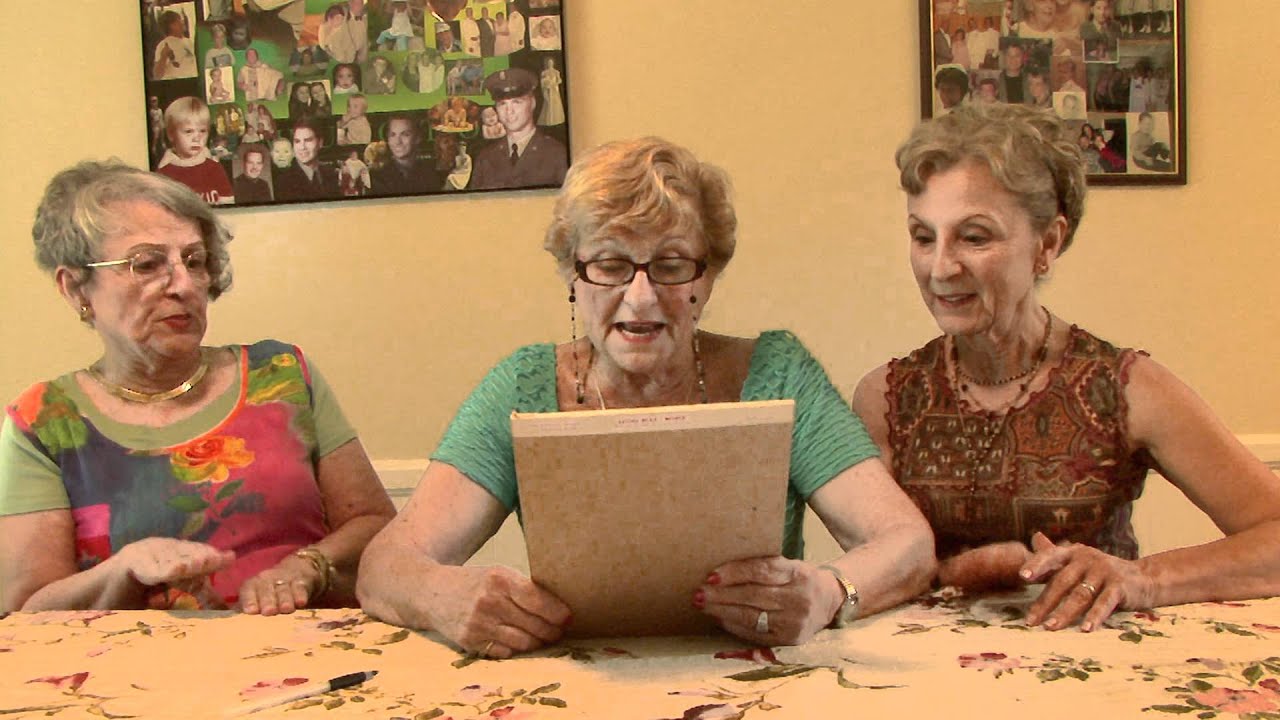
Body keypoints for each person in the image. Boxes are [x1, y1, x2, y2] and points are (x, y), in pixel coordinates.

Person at [357, 137, 936, 656]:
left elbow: (906, 543)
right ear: (572, 276)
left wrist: (831, 591)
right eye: (610, 265)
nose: (640, 298)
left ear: (707, 278)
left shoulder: (777, 373)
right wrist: (445, 596)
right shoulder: (522, 387)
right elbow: (384, 566)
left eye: (672, 265)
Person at [853, 102, 1280, 632]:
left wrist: (1143, 578)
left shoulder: (1122, 387)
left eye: (974, 236)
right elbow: (872, 571)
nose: (940, 267)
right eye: (923, 237)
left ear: (1047, 244)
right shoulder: (887, 397)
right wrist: (959, 572)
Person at [0, 160, 395, 613]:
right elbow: (27, 612)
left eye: (195, 260)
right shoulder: (45, 421)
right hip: (135, 678)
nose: (184, 285)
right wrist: (124, 570)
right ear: (75, 289)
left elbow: (378, 527)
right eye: (147, 264)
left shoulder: (281, 376)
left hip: (308, 658)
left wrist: (307, 566)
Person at [470, 68, 569, 190]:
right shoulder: (486, 158)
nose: (509, 111)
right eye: (502, 104)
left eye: (516, 102)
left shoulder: (556, 154)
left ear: (532, 103)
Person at [156, 97, 234, 206]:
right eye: (188, 131)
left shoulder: (214, 168)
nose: (197, 138)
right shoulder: (163, 174)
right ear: (171, 134)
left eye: (202, 131)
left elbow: (230, 205)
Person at [371, 114, 444, 195]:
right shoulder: (377, 178)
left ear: (417, 138)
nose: (398, 142)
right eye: (393, 135)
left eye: (405, 134)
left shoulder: (432, 174)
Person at [274, 119, 339, 201]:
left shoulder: (331, 173)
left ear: (320, 143)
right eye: (297, 141)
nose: (302, 147)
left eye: (308, 140)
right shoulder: (283, 182)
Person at [153, 10, 197, 80]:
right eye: (179, 20)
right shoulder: (164, 44)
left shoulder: (189, 41)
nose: (182, 22)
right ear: (171, 25)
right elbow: (157, 75)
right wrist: (163, 56)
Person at [538, 57, 566, 126]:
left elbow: (560, 80)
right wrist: (547, 84)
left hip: (554, 90)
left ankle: (556, 120)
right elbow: (542, 82)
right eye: (549, 63)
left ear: (553, 63)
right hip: (548, 90)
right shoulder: (544, 72)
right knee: (548, 103)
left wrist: (555, 83)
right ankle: (549, 120)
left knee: (555, 104)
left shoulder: (556, 72)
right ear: (547, 64)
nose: (550, 64)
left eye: (551, 62)